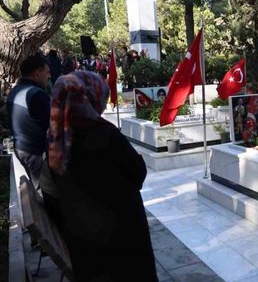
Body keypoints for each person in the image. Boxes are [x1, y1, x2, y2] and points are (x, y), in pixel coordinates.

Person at [48, 71, 157, 281]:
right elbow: (137, 173)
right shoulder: (104, 134)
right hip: (122, 236)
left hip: (82, 239)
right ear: (89, 97)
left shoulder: (55, 138)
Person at [6, 55, 51, 189]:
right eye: (47, 72)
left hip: (22, 148)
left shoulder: (15, 90)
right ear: (37, 73)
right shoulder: (36, 94)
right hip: (35, 152)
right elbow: (52, 125)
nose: (49, 76)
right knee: (44, 191)